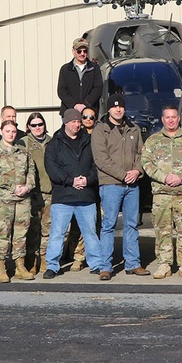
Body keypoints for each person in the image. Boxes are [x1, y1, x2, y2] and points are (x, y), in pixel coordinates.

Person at [90, 93, 148, 277]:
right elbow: (101, 160)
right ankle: (105, 266)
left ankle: (133, 263)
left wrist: (137, 171)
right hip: (111, 184)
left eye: (121, 106)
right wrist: (123, 175)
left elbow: (142, 155)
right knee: (109, 225)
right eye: (115, 106)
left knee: (131, 225)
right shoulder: (101, 130)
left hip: (132, 185)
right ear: (109, 109)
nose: (118, 109)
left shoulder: (134, 129)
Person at [42, 109, 102, 278]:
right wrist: (71, 180)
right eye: (74, 122)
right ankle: (53, 266)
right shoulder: (55, 144)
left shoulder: (89, 141)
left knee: (90, 232)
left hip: (86, 196)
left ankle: (96, 263)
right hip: (63, 197)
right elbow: (52, 168)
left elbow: (96, 166)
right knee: (57, 233)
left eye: (79, 122)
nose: (77, 124)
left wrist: (88, 180)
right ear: (66, 123)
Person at [143, 104, 182, 279]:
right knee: (162, 230)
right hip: (162, 193)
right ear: (162, 119)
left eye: (174, 117)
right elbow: (147, 163)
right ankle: (164, 263)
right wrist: (163, 177)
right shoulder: (153, 141)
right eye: (167, 117)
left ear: (179, 118)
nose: (171, 120)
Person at [0, 120, 35, 282]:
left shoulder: (23, 152)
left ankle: (20, 265)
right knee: (1, 233)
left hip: (22, 199)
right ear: (1, 132)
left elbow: (31, 171)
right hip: (2, 200)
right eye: (8, 131)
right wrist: (13, 187)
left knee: (21, 233)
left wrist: (27, 187)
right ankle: (0, 266)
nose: (11, 134)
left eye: (13, 131)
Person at [22, 111, 53, 275]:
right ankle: (31, 261)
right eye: (34, 125)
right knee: (32, 230)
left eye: (40, 124)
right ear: (28, 127)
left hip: (50, 191)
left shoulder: (52, 141)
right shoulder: (24, 143)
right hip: (33, 193)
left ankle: (44, 259)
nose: (37, 128)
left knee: (47, 229)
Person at [57, 37, 103, 115]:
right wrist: (74, 105)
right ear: (73, 52)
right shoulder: (65, 69)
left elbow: (98, 88)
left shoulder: (94, 68)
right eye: (79, 51)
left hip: (89, 113)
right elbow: (61, 91)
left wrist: (86, 104)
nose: (82, 54)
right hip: (69, 112)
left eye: (85, 51)